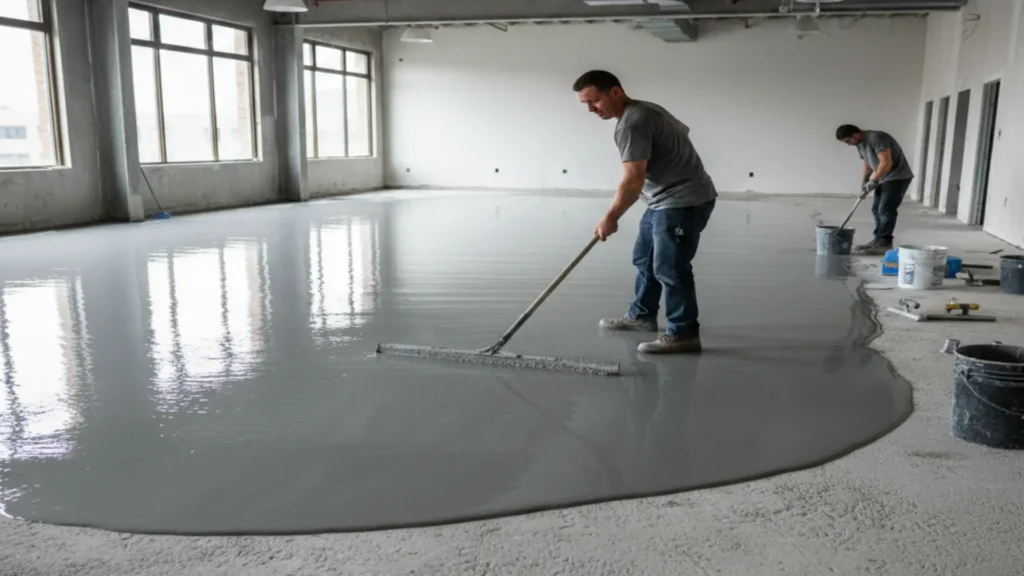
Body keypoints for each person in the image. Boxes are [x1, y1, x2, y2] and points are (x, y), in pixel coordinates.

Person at [574, 70, 717, 355]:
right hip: (662, 201)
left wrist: (610, 216)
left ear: (615, 92)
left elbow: (632, 179)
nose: (590, 109)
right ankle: (641, 316)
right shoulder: (648, 108)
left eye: (595, 101)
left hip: (682, 201)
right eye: (585, 104)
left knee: (670, 268)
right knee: (645, 258)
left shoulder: (631, 124)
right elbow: (683, 129)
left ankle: (684, 333)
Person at [836, 124, 915, 255]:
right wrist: (864, 182)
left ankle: (885, 243)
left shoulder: (877, 138)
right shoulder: (860, 144)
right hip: (884, 177)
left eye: (848, 141)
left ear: (855, 134)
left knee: (885, 209)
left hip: (897, 177)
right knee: (876, 209)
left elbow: (886, 162)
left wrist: (874, 179)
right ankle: (877, 240)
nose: (849, 144)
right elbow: (868, 163)